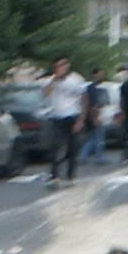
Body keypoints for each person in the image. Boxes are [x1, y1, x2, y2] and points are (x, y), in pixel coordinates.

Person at [47, 57, 88, 188]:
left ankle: (70, 177)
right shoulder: (51, 80)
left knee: (72, 148)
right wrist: (54, 80)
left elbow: (84, 99)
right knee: (55, 147)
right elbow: (45, 93)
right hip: (56, 117)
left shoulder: (76, 79)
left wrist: (81, 120)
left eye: (63, 65)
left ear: (68, 66)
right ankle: (55, 177)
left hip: (73, 116)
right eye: (58, 66)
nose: (61, 68)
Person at [78, 68, 110, 167]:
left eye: (102, 74)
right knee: (99, 138)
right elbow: (93, 104)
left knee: (93, 137)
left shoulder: (93, 87)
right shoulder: (92, 88)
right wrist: (95, 117)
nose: (102, 76)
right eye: (100, 74)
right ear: (95, 75)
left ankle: (83, 156)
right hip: (95, 115)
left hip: (94, 115)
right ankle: (99, 157)